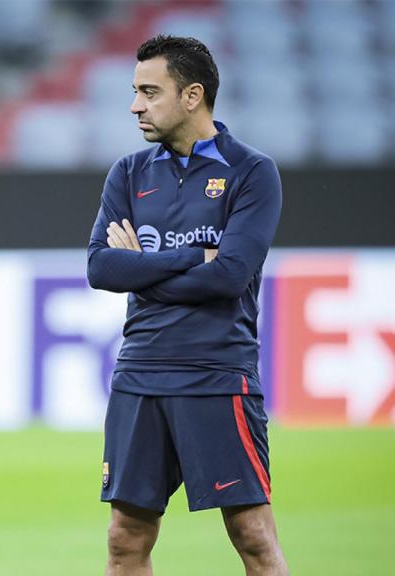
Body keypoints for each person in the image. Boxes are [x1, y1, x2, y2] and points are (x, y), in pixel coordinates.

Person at [87, 35, 290, 575]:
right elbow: (100, 268)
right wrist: (192, 257)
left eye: (150, 92)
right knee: (124, 539)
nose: (136, 105)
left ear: (192, 95)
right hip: (140, 374)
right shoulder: (129, 173)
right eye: (135, 92)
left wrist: (144, 273)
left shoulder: (251, 172)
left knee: (252, 536)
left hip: (216, 373)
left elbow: (228, 277)